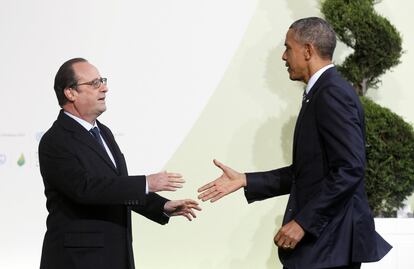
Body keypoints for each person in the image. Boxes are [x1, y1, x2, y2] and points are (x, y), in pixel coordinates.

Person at [198, 17, 391, 269]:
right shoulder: (320, 92)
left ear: (308, 50)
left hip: (330, 244)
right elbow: (309, 173)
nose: (283, 56)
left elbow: (349, 169)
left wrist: (303, 223)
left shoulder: (331, 93)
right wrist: (246, 180)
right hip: (324, 245)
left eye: (288, 47)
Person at [39, 58, 201, 269]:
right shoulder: (56, 140)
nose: (105, 88)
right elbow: (85, 189)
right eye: (94, 83)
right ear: (70, 93)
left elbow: (115, 185)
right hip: (79, 260)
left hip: (115, 255)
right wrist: (146, 182)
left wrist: (160, 206)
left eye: (103, 81)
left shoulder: (103, 132)